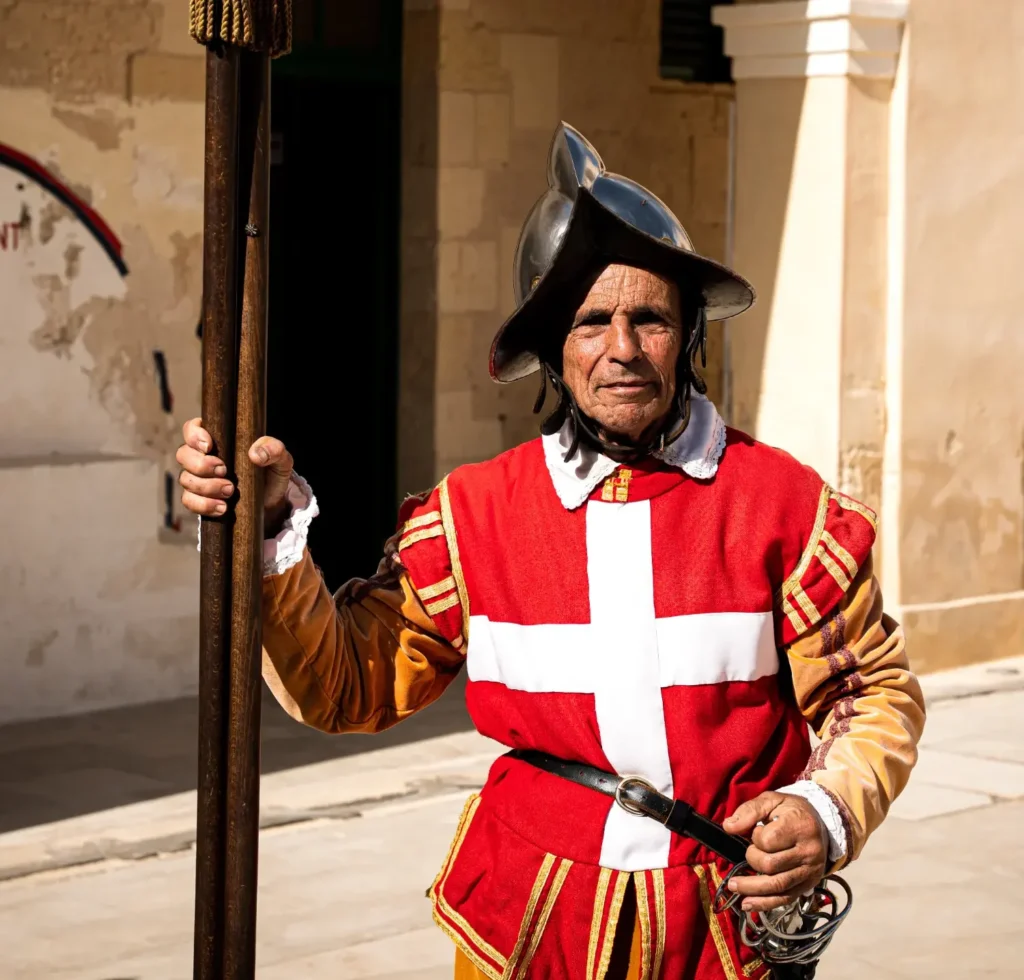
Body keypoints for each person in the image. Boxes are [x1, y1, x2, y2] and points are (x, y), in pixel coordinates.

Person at [177, 123, 925, 980]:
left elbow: (872, 693)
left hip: (720, 936)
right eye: (590, 321)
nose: (621, 347)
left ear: (686, 335)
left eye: (649, 317)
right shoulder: (473, 515)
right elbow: (345, 687)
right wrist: (267, 523)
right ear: (552, 350)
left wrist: (824, 810)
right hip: (523, 930)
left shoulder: (783, 504)